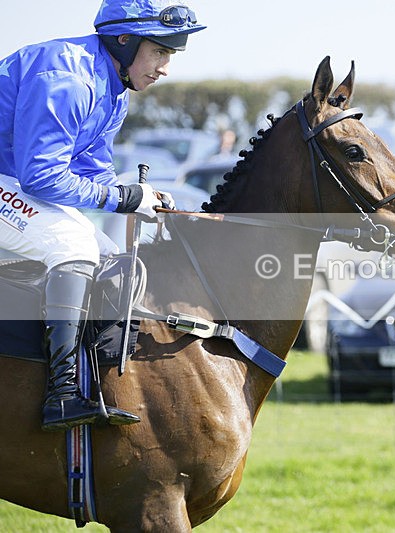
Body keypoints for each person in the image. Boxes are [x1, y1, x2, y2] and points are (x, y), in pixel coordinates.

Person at [0, 1, 206, 431]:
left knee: (108, 253)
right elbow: (42, 177)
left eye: (171, 55)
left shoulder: (112, 86)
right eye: (160, 52)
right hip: (17, 179)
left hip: (15, 180)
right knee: (72, 245)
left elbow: (94, 171)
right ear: (125, 41)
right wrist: (124, 198)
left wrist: (142, 197)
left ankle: (100, 383)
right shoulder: (68, 79)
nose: (165, 68)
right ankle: (60, 394)